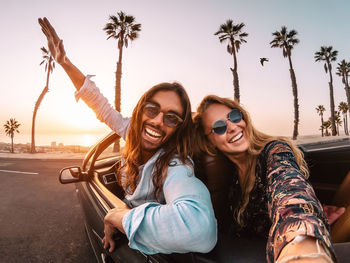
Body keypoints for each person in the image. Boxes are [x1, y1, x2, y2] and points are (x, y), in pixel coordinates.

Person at [38, 17, 217, 255]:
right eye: (152, 109)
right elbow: (100, 105)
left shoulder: (175, 165)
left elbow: (199, 228)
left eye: (171, 117)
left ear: (178, 128)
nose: (157, 121)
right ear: (141, 109)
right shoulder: (131, 132)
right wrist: (64, 62)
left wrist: (118, 216)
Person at [193, 95, 336, 263]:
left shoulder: (274, 151)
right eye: (219, 127)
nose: (232, 126)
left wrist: (302, 242)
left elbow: (289, 188)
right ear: (208, 141)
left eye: (234, 116)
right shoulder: (229, 174)